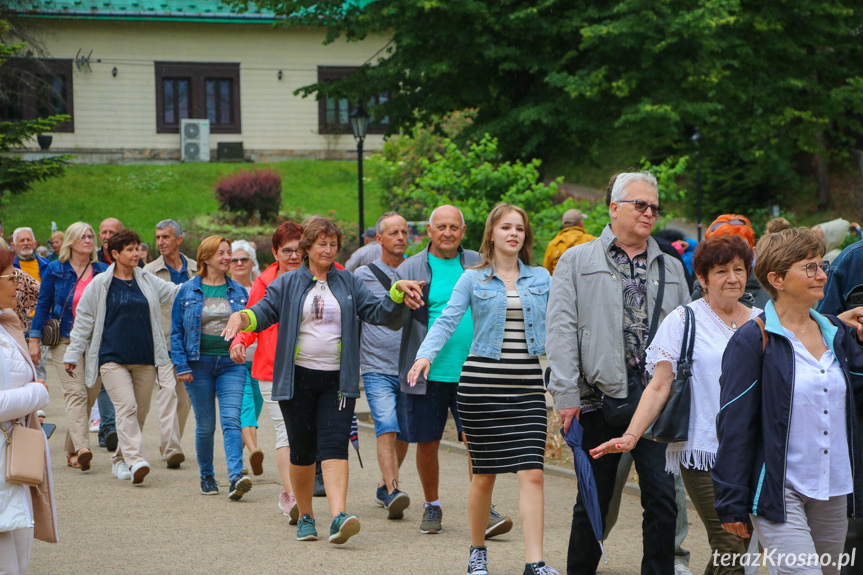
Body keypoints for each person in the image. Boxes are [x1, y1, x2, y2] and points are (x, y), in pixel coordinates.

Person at [220, 217, 423, 544]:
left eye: (333, 244)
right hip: (296, 381)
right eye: (321, 244)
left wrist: (397, 292)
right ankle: (307, 516)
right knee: (301, 453)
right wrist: (241, 318)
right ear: (307, 248)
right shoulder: (287, 283)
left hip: (337, 382)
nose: (328, 250)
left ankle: (339, 515)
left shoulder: (349, 282)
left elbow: (380, 313)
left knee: (334, 447)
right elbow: (263, 312)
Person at [546, 171, 691, 575]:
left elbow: (687, 332)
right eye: (639, 205)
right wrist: (566, 396)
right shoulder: (578, 260)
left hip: (656, 401)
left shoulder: (672, 267)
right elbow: (559, 330)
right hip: (597, 399)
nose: (649, 213)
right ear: (614, 208)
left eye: (654, 207)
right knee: (594, 497)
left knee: (663, 499)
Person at [590, 235, 760, 575]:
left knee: (741, 544)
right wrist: (632, 436)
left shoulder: (762, 320)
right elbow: (658, 385)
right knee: (729, 542)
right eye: (721, 271)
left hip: (753, 453)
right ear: (702, 278)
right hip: (702, 450)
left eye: (739, 270)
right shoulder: (685, 320)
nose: (732, 278)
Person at [408, 204, 556, 575]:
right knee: (485, 474)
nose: (513, 234)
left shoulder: (541, 278)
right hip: (481, 385)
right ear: (491, 234)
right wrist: (425, 356)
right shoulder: (472, 279)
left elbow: (561, 328)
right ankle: (477, 551)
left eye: (519, 229)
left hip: (527, 388)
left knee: (533, 473)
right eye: (506, 227)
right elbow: (445, 321)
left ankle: (534, 562)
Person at [714, 227, 863, 575]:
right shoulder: (754, 339)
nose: (822, 274)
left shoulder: (837, 333)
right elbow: (734, 424)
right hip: (780, 491)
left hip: (834, 487)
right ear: (776, 279)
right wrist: (731, 501)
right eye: (809, 267)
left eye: (821, 264)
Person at [394, 205, 514, 538]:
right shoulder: (410, 267)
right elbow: (389, 314)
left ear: (463, 232)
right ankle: (432, 505)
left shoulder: (479, 262)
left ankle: (484, 508)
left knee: (478, 442)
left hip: (474, 371)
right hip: (427, 374)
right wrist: (397, 296)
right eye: (441, 227)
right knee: (427, 443)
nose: (448, 232)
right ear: (429, 231)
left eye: (454, 227)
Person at [64, 229, 177, 486]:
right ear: (115, 254)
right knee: (126, 408)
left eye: (137, 248)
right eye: (130, 249)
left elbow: (173, 292)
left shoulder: (146, 279)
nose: (136, 253)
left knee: (139, 413)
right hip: (112, 359)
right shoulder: (100, 284)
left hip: (145, 358)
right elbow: (83, 323)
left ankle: (118, 460)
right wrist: (73, 353)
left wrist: (201, 283)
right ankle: (136, 459)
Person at [230, 222, 303, 520]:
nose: (294, 256)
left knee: (305, 434)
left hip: (311, 368)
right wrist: (240, 340)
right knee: (286, 431)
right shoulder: (266, 282)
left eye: (299, 250)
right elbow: (252, 315)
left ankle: (300, 489)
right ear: (275, 253)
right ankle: (290, 494)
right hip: (271, 369)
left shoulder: (320, 275)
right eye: (287, 251)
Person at [171, 235, 252, 500]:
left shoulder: (239, 292)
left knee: (231, 420)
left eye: (229, 252)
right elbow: (176, 331)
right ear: (205, 258)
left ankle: (236, 477)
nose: (228, 258)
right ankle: (207, 475)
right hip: (199, 365)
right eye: (222, 253)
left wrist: (240, 343)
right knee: (205, 425)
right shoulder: (187, 290)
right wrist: (181, 365)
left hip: (232, 365)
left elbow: (249, 326)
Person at [27, 222, 109, 472]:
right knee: (76, 392)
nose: (88, 240)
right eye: (82, 236)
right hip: (64, 339)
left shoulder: (103, 271)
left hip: (94, 343)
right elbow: (43, 304)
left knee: (90, 393)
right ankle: (84, 448)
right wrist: (33, 339)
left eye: (90, 236)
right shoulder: (55, 269)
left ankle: (72, 451)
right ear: (71, 242)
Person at [0, 248, 56, 574]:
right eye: (11, 275)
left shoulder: (7, 324)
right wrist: (37, 393)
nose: (18, 282)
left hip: (15, 463)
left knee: (19, 563)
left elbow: (34, 293)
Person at [355, 212, 412, 518]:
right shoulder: (363, 275)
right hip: (376, 366)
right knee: (386, 425)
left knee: (405, 434)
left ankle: (384, 485)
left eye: (404, 232)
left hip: (410, 367)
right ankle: (393, 491)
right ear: (379, 239)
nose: (400, 237)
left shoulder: (418, 269)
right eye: (393, 233)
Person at [144, 219, 195, 469]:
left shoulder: (196, 270)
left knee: (184, 400)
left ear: (179, 240)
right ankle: (172, 448)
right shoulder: (148, 271)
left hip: (191, 343)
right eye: (157, 237)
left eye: (166, 237)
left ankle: (171, 445)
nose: (161, 242)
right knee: (167, 393)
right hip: (162, 342)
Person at [229, 239, 264, 475]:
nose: (239, 263)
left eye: (244, 259)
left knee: (254, 408)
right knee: (246, 408)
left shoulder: (261, 290)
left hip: (261, 361)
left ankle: (237, 462)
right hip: (235, 362)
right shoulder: (224, 290)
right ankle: (253, 450)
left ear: (253, 263)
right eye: (234, 260)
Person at [542, 209, 595, 275]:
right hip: (587, 284)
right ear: (581, 224)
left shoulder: (553, 244)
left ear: (563, 225)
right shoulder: (593, 241)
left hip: (559, 284)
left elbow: (546, 273)